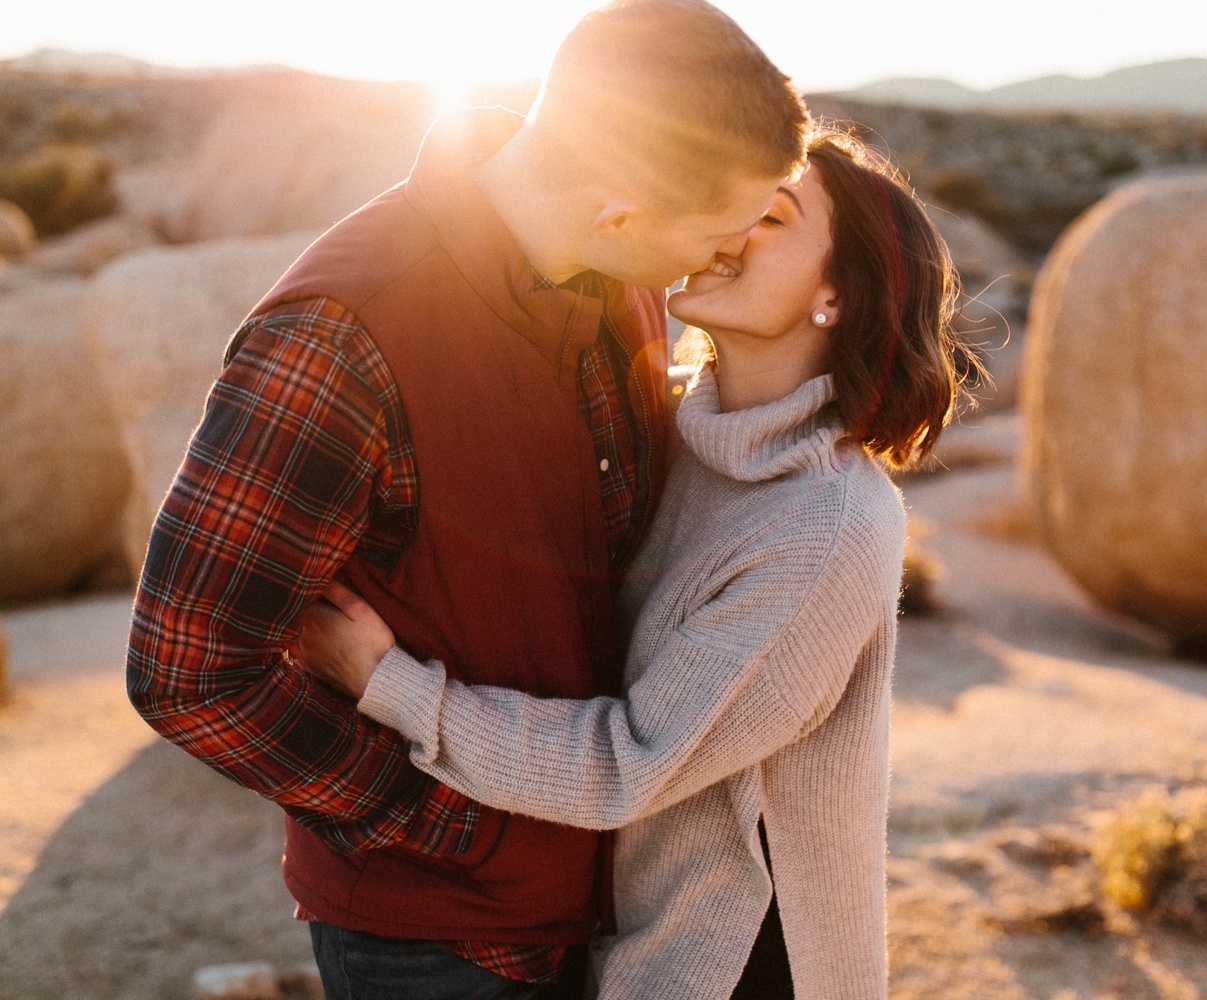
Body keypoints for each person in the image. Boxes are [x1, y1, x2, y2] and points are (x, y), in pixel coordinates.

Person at [123, 3, 810, 998]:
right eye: (717, 234)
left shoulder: (625, 283)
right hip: (441, 947)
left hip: (618, 904)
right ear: (618, 210)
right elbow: (186, 668)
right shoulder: (344, 333)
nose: (724, 259)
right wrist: (442, 825)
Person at [293, 129, 978, 999]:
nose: (727, 227)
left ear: (837, 297)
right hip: (618, 929)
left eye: (769, 214)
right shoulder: (672, 430)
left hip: (733, 962)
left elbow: (628, 764)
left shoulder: (827, 528)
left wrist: (386, 680)